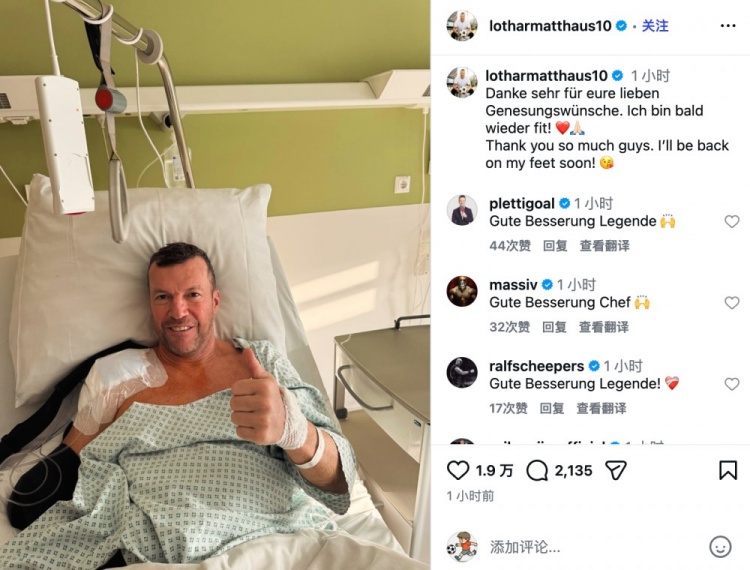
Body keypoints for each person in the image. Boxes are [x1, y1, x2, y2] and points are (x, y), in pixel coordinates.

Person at [2, 243, 355, 568]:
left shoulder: (262, 363)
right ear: (150, 305)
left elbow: (338, 482)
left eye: (192, 294)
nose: (178, 311)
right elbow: (54, 477)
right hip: (165, 555)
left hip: (280, 543)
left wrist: (296, 434)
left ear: (215, 301)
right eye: (163, 297)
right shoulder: (118, 380)